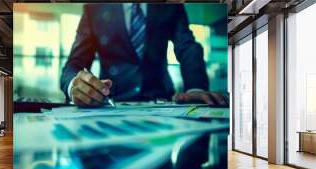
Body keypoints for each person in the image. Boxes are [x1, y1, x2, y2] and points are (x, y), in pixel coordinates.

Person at [61, 3, 227, 107]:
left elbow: (187, 46)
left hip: (162, 103)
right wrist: (74, 86)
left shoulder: (170, 5)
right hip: (111, 103)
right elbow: (74, 64)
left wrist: (195, 88)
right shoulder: (94, 8)